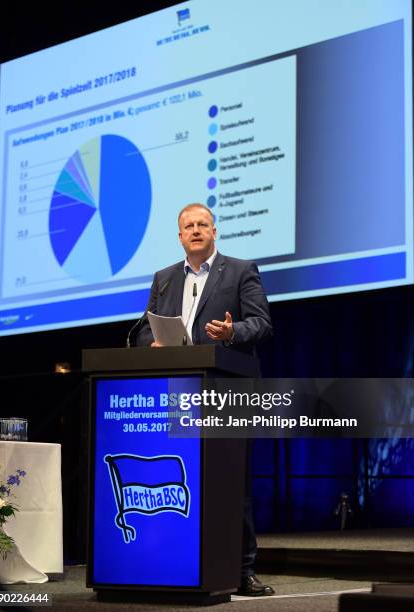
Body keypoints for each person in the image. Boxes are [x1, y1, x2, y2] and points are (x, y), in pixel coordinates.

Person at [132, 203, 274, 596]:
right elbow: (143, 329)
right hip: (178, 390)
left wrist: (231, 332)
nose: (195, 230)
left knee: (233, 483)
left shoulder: (241, 270)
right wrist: (154, 343)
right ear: (180, 237)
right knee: (185, 479)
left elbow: (261, 323)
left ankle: (243, 570)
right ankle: (177, 561)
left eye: (202, 225)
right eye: (188, 226)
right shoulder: (163, 279)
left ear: (214, 231)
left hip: (228, 388)